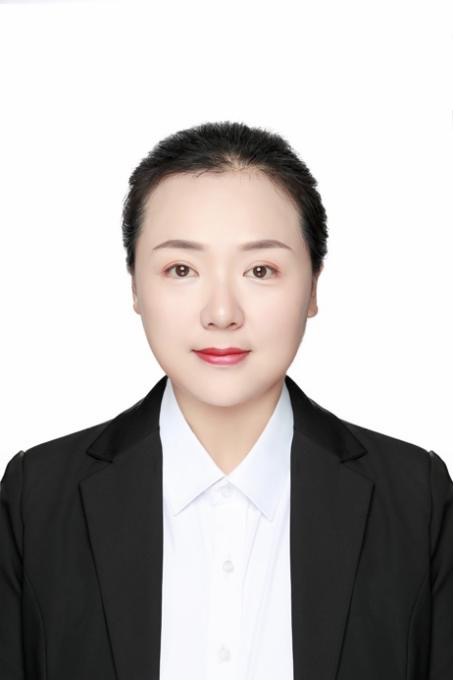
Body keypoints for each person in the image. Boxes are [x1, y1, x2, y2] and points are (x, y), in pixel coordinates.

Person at [0, 121, 452, 680]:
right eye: (181, 269)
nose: (221, 313)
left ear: (313, 286)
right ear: (135, 285)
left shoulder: (415, 498)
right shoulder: (37, 497)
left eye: (260, 270)